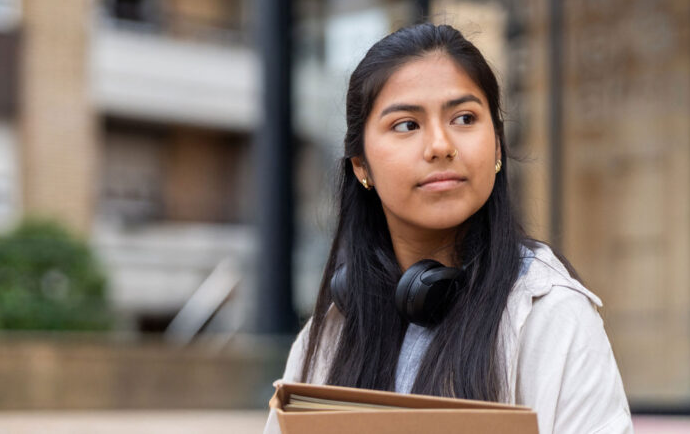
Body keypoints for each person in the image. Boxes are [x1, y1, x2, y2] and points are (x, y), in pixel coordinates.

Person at [263, 23, 632, 434]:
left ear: (496, 147)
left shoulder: (551, 315)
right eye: (406, 125)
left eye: (464, 117)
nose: (440, 145)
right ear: (361, 165)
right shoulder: (328, 337)